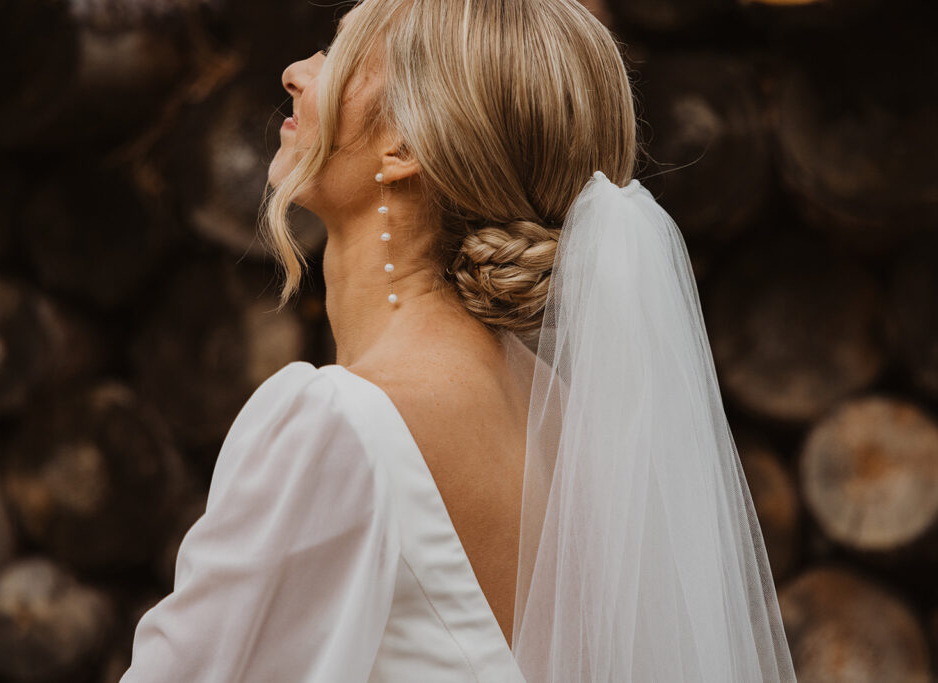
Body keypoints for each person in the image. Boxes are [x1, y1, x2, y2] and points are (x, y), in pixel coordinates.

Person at [121, 1, 797, 681]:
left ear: (405, 149)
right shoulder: (568, 420)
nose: (297, 73)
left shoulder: (337, 425)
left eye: (341, 55)